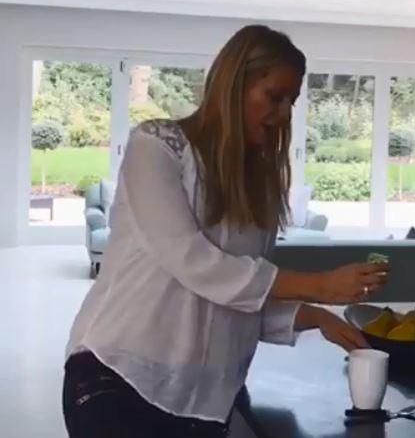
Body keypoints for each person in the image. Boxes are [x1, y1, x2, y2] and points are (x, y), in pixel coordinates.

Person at [62, 25, 389, 438]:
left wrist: (314, 316)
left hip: (206, 398)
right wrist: (318, 285)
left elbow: (230, 297)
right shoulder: (157, 146)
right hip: (120, 377)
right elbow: (194, 263)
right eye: (275, 96)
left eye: (292, 100)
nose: (286, 113)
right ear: (234, 85)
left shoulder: (259, 185)